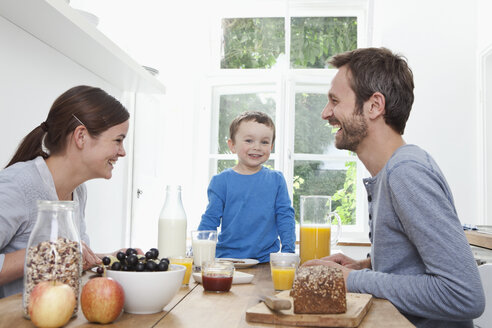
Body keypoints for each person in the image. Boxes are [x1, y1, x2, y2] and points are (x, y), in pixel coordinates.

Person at [302, 47, 485, 327]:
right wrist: (365, 265)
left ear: (374, 106)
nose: (326, 113)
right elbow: (414, 265)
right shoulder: (393, 170)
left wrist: (352, 280)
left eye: (335, 101)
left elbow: (464, 295)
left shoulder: (405, 172)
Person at [0, 85, 132, 298]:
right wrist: (45, 253)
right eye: (118, 140)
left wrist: (110, 258)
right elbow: (55, 253)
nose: (122, 152)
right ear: (81, 136)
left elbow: (66, 256)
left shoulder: (78, 191)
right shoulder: (17, 185)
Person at [198, 111, 295, 262]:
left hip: (265, 261)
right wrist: (199, 252)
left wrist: (288, 252)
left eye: (264, 142)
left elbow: (285, 217)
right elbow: (210, 220)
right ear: (232, 145)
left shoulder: (277, 180)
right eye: (249, 140)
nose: (257, 147)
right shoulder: (221, 181)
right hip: (227, 260)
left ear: (271, 146)